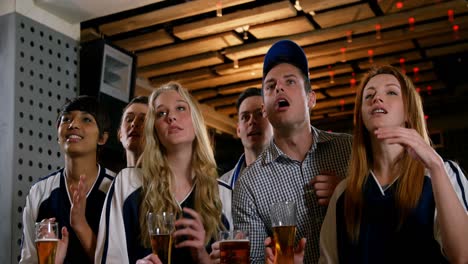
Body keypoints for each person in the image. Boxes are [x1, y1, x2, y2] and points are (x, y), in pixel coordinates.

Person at [319, 65, 468, 263]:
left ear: (408, 112)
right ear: (361, 116)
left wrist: (435, 165)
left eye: (391, 92)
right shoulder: (343, 192)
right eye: (368, 95)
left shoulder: (443, 173)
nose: (377, 98)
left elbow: (463, 255)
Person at [232, 39, 352, 264]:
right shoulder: (249, 185)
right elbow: (254, 260)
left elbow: (389, 226)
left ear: (311, 99)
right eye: (270, 86)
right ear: (264, 110)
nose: (279, 88)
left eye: (290, 81)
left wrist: (348, 193)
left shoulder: (351, 150)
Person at [95, 82, 228, 264]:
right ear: (154, 130)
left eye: (180, 108)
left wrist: (202, 258)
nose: (171, 117)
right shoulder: (128, 183)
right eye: (161, 113)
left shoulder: (224, 193)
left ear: (196, 121)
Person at [20, 96, 115, 263]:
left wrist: (80, 224)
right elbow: (28, 260)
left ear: (102, 138)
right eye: (66, 119)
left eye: (86, 119)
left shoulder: (116, 189)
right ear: (58, 133)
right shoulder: (40, 192)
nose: (73, 125)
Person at [211, 87, 273, 263]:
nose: (252, 121)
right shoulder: (219, 188)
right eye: (245, 117)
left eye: (260, 114)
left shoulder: (292, 177)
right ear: (238, 130)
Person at [118, 96, 149, 167]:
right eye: (129, 119)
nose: (134, 123)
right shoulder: (115, 178)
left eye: (142, 120)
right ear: (120, 134)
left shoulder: (169, 177)